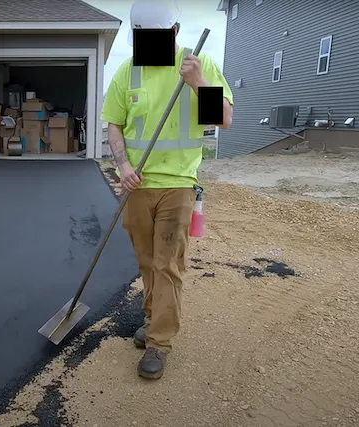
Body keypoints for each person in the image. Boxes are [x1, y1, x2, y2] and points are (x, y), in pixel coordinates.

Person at [100, 0, 234, 380]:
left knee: (168, 265)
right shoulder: (128, 73)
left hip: (178, 185)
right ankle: (152, 320)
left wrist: (198, 84)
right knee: (147, 264)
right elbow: (114, 123)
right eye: (140, 37)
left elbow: (223, 120)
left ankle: (159, 343)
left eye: (155, 37)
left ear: (175, 33)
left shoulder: (199, 66)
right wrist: (122, 165)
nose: (147, 44)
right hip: (137, 186)